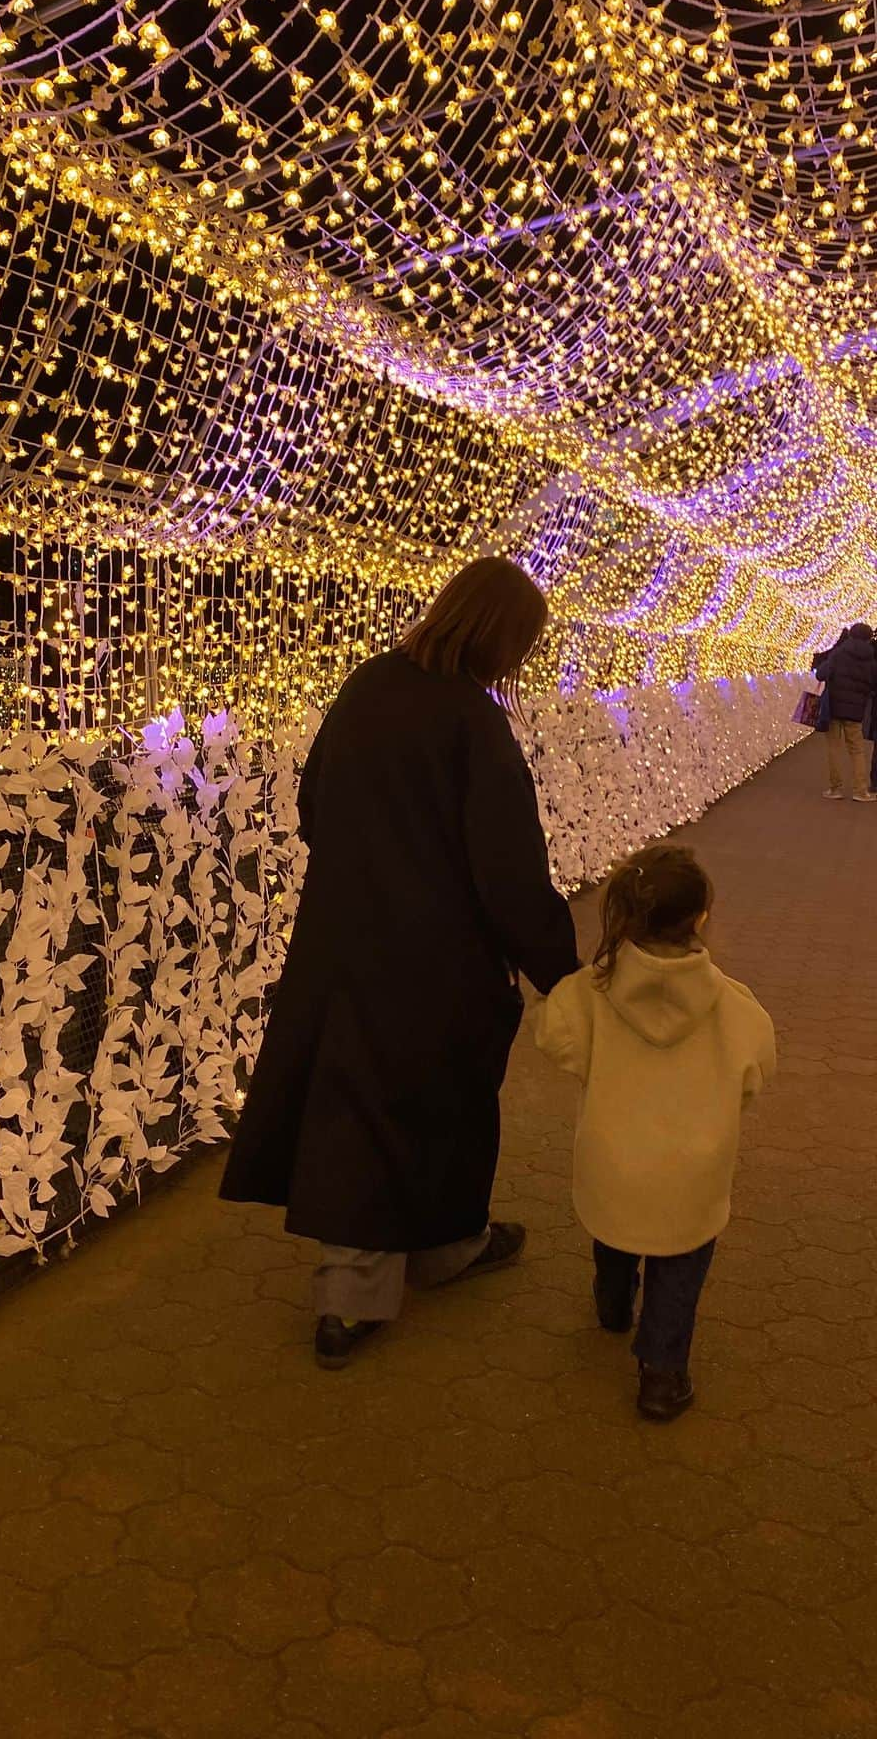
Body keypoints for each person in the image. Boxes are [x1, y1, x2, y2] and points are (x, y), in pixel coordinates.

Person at [219, 557, 579, 1369]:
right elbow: (508, 868)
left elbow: (314, 804)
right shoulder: (473, 720)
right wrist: (563, 968)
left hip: (345, 938)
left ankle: (370, 1285)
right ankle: (427, 1259)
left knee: (355, 1099)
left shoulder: (370, 685)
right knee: (444, 1097)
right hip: (442, 954)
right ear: (504, 639)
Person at [534, 844, 775, 1422]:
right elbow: (754, 1075)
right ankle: (662, 1375)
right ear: (700, 918)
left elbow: (554, 1038)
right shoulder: (737, 1009)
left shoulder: (588, 995)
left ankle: (613, 1303)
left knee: (616, 1233)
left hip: (613, 1158)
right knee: (680, 1263)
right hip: (694, 1171)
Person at [818, 621, 877, 802]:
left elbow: (821, 673)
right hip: (856, 711)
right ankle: (860, 791)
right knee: (857, 750)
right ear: (868, 639)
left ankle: (836, 789)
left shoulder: (838, 653)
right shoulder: (871, 660)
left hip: (834, 708)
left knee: (834, 748)